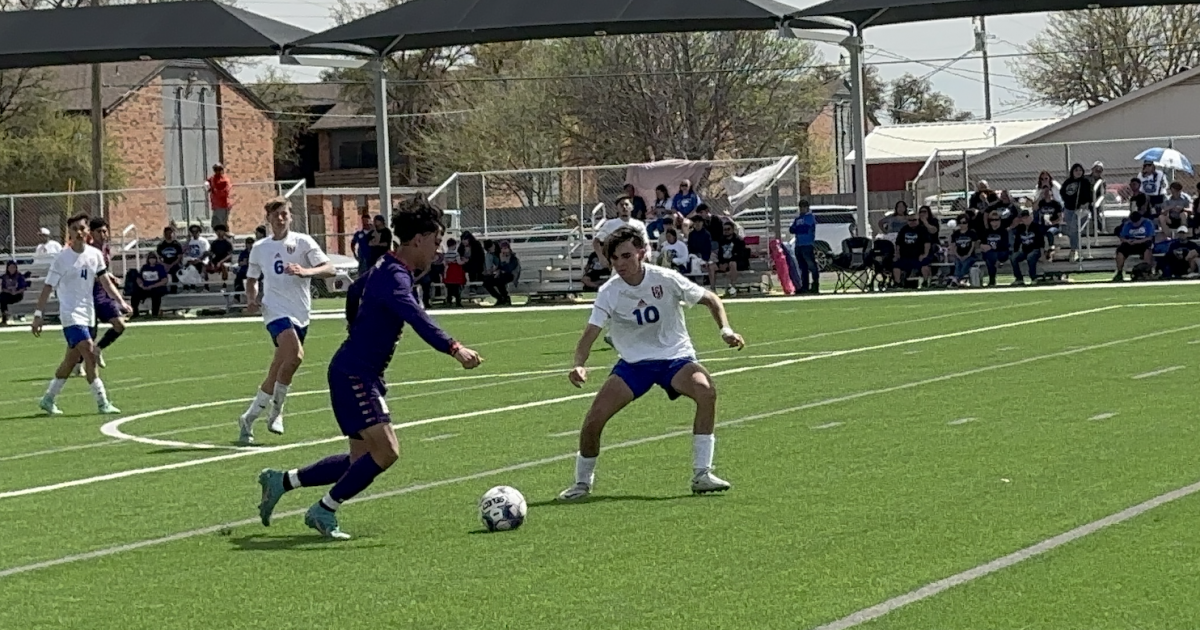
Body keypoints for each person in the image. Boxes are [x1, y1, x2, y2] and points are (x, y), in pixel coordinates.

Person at [255, 201, 482, 540]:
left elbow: (355, 290)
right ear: (418, 239)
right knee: (387, 451)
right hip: (355, 373)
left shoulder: (385, 264)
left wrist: (354, 328)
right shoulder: (395, 277)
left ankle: (282, 481)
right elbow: (416, 317)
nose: (438, 250)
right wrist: (454, 347)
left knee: (359, 460)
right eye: (436, 241)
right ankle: (324, 509)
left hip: (356, 370)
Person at [556, 226, 745, 501]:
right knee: (594, 420)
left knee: (706, 390)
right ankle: (581, 484)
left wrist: (725, 330)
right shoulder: (609, 291)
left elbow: (711, 299)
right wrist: (579, 364)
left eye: (626, 256)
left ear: (642, 252)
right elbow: (590, 333)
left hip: (675, 359)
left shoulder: (665, 278)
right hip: (634, 365)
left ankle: (702, 474)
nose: (620, 264)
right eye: (615, 258)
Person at [237, 199, 336, 444]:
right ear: (268, 219)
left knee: (278, 369)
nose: (280, 219)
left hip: (300, 312)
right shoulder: (260, 247)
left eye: (284, 214)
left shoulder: (303, 242)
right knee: (296, 355)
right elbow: (252, 279)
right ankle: (277, 412)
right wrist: (252, 299)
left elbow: (329, 268)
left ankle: (248, 419)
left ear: (290, 216)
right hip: (274, 310)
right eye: (276, 215)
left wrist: (306, 271)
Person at [30, 213, 129, 415]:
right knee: (89, 351)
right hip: (70, 315)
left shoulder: (95, 255)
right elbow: (48, 287)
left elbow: (105, 282)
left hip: (88, 313)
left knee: (71, 361)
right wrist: (38, 314)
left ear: (87, 231)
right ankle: (102, 402)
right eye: (74, 229)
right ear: (69, 233)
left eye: (82, 228)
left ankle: (48, 399)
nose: (79, 232)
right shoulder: (62, 258)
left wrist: (120, 302)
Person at [74, 217, 129, 370]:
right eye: (99, 231)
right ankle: (78, 363)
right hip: (88, 295)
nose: (103, 234)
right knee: (89, 335)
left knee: (119, 325)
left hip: (103, 294)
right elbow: (87, 272)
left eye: (105, 231)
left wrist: (110, 277)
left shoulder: (105, 249)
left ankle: (98, 349)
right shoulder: (86, 250)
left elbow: (103, 270)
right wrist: (106, 278)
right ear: (91, 233)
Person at [132, 252, 170, 318]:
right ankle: (135, 313)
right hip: (145, 287)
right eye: (150, 258)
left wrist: (152, 286)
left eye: (153, 258)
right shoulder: (145, 267)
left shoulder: (160, 267)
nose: (152, 260)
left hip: (157, 287)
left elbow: (164, 280)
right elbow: (139, 278)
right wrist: (141, 285)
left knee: (156, 295)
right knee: (135, 294)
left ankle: (155, 314)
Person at [1, 260, 28, 325]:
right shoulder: (4, 277)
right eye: (10, 267)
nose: (12, 269)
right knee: (2, 297)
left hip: (17, 295)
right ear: (7, 268)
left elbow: (23, 288)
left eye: (13, 267)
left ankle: (5, 317)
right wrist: (10, 291)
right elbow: (3, 288)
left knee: (2, 299)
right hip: (8, 295)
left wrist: (16, 292)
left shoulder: (19, 276)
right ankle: (5, 314)